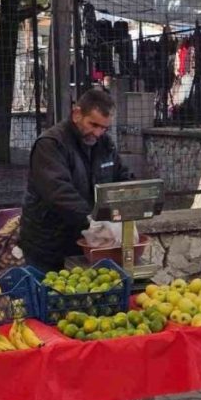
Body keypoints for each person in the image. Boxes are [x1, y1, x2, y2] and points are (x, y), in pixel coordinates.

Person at [20, 88, 133, 272]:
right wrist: (93, 221)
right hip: (48, 244)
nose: (98, 133)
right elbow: (59, 192)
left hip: (88, 241)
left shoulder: (105, 144)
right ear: (77, 114)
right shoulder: (50, 144)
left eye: (104, 128)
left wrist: (131, 203)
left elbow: (121, 177)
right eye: (93, 125)